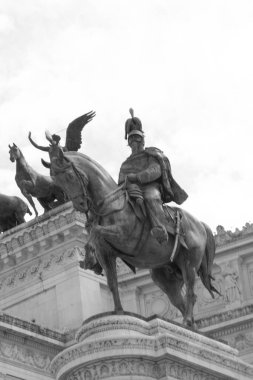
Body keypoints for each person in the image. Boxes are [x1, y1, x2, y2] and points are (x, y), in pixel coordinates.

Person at [118, 109, 188, 244]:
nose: (134, 143)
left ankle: (159, 228)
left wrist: (137, 177)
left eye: (137, 140)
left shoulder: (151, 154)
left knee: (150, 197)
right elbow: (120, 182)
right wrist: (128, 186)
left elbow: (155, 170)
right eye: (132, 140)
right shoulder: (125, 163)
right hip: (131, 190)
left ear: (142, 141)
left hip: (151, 187)